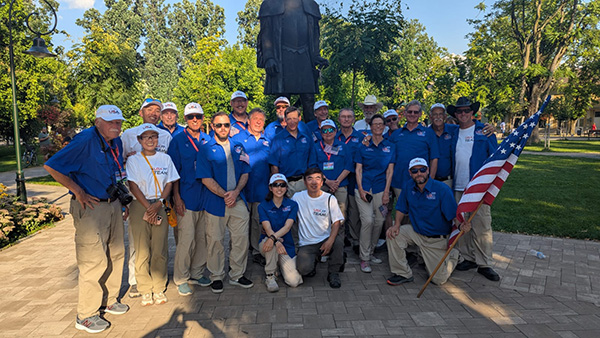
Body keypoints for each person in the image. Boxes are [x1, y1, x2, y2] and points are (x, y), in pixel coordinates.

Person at [44, 105, 129, 334]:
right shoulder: (85, 140)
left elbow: (116, 172)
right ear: (98, 122)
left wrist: (123, 201)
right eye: (111, 122)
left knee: (116, 253)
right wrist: (77, 191)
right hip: (91, 208)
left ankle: (109, 300)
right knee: (93, 260)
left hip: (112, 204)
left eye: (118, 122)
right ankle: (86, 315)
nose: (115, 126)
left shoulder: (116, 142)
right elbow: (52, 166)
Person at [386, 158, 471, 286]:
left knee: (438, 279)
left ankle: (453, 255)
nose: (419, 173)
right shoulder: (408, 186)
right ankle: (403, 273)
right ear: (410, 173)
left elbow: (454, 216)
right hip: (417, 232)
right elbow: (401, 208)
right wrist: (396, 224)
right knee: (393, 234)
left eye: (422, 169)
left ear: (428, 170)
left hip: (436, 239)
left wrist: (461, 226)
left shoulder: (442, 189)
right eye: (414, 171)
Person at [121, 98, 173, 299]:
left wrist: (161, 201)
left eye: (157, 110)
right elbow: (122, 163)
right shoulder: (128, 134)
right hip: (137, 199)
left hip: (158, 199)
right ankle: (136, 281)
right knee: (138, 244)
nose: (153, 112)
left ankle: (158, 281)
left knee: (159, 244)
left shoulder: (165, 136)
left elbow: (168, 173)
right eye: (149, 109)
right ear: (141, 112)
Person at [197, 112, 253, 294]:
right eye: (219, 125)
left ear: (231, 127)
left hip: (238, 200)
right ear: (212, 126)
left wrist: (235, 192)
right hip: (215, 202)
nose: (223, 128)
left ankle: (237, 274)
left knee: (240, 240)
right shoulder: (205, 148)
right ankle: (217, 276)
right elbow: (205, 178)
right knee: (215, 241)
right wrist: (224, 195)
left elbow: (245, 171)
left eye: (226, 125)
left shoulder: (238, 147)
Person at [125, 124, 179, 306]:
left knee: (159, 247)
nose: (150, 140)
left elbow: (170, 183)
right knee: (141, 249)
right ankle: (144, 288)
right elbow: (132, 184)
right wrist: (148, 207)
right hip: (140, 204)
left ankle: (158, 286)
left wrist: (160, 203)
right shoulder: (133, 160)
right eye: (146, 137)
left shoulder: (165, 158)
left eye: (153, 137)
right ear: (139, 140)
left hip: (160, 204)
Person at [448, 97, 500, 281]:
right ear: (455, 114)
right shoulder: (452, 132)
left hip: (477, 186)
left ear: (473, 112)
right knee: (462, 223)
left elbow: (496, 158)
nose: (463, 114)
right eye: (460, 111)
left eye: (467, 111)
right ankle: (468, 257)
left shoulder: (484, 132)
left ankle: (484, 263)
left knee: (482, 225)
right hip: (458, 185)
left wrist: (494, 129)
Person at [257, 0, 328, 121]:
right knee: (283, 101)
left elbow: (315, 35)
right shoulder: (270, 4)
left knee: (309, 99)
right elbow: (266, 33)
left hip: (305, 56)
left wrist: (316, 56)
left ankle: (310, 134)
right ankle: (283, 131)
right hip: (282, 56)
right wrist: (269, 57)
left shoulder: (311, 5)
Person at [167, 102, 212, 296]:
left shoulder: (208, 139)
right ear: (185, 119)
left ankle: (197, 272)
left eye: (198, 116)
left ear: (203, 118)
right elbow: (173, 172)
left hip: (206, 196)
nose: (195, 120)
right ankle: (181, 277)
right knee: (186, 240)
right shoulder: (177, 140)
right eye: (191, 117)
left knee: (202, 238)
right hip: (186, 195)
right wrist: (176, 197)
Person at [354, 114, 395, 273]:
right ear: (370, 127)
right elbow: (358, 170)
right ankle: (364, 258)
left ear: (384, 127)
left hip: (380, 188)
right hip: (363, 187)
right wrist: (361, 189)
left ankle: (370, 252)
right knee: (368, 221)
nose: (377, 127)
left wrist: (386, 192)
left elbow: (390, 171)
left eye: (380, 124)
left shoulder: (390, 146)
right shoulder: (362, 145)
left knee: (379, 221)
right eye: (374, 124)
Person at [293, 167, 345, 288]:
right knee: (303, 270)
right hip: (307, 243)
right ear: (304, 182)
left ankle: (334, 272)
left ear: (322, 182)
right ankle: (314, 260)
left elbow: (336, 222)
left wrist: (330, 241)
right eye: (310, 179)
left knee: (337, 241)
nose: (314, 182)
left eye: (318, 178)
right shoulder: (297, 197)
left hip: (325, 239)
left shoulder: (329, 199)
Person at [232, 108, 271, 266]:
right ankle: (237, 253)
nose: (258, 122)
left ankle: (255, 250)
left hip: (262, 188)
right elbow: (235, 161)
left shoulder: (267, 140)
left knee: (257, 221)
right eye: (255, 118)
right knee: (240, 222)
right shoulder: (238, 138)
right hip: (242, 188)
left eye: (261, 119)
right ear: (248, 120)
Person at [258, 174, 303, 292]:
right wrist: (275, 240)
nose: (279, 188)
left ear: (286, 187)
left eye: (282, 185)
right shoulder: (263, 206)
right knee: (271, 244)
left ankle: (278, 264)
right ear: (270, 188)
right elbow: (267, 228)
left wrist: (274, 238)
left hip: (286, 245)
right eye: (276, 185)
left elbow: (287, 227)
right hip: (267, 244)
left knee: (294, 281)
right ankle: (270, 275)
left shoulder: (292, 205)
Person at [390, 100, 439, 200]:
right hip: (399, 181)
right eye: (410, 112)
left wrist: (430, 181)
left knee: (419, 212)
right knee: (402, 212)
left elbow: (434, 158)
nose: (412, 114)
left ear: (420, 114)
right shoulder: (396, 134)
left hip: (420, 181)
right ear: (405, 113)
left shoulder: (428, 133)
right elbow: (389, 159)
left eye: (415, 112)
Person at [313, 119, 352, 236]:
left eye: (330, 129)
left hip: (340, 186)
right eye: (324, 130)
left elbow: (348, 166)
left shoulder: (343, 146)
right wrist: (327, 181)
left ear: (335, 131)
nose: (328, 132)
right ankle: (323, 243)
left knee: (340, 216)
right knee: (321, 215)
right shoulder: (315, 147)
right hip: (322, 186)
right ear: (320, 132)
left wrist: (337, 182)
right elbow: (313, 166)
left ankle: (338, 246)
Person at [269, 106, 317, 197]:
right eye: (289, 119)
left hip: (303, 183)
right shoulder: (278, 139)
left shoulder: (306, 138)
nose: (292, 122)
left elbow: (312, 163)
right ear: (285, 120)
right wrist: (279, 185)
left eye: (294, 118)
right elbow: (274, 166)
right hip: (286, 184)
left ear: (299, 118)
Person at [336, 108, 364, 251]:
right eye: (343, 117)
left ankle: (354, 239)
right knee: (339, 210)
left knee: (353, 211)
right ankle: (339, 238)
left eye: (349, 117)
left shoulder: (360, 137)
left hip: (354, 178)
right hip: (337, 179)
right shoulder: (334, 137)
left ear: (353, 119)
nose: (346, 119)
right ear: (339, 119)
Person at [428, 103, 458, 189]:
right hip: (430, 179)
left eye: (440, 114)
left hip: (448, 180)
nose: (438, 117)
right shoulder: (425, 133)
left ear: (445, 116)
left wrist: (487, 127)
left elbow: (469, 126)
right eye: (435, 114)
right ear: (430, 117)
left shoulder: (454, 129)